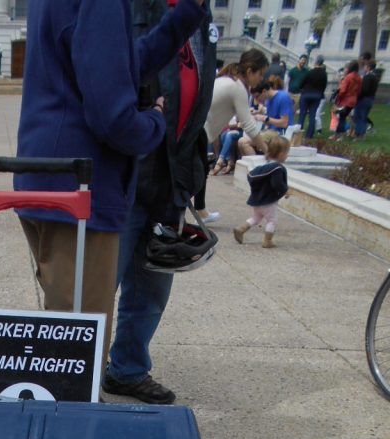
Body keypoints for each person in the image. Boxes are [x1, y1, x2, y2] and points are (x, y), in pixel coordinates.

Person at [15, 0, 207, 365]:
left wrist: (182, 17)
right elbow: (113, 117)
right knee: (78, 349)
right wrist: (153, 122)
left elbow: (114, 63)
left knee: (66, 331)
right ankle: (76, 417)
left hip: (47, 172)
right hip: (82, 186)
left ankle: (69, 412)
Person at [103, 0, 216, 405]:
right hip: (127, 172)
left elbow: (196, 101)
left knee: (152, 286)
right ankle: (76, 372)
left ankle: (128, 370)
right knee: (100, 285)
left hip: (173, 176)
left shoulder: (201, 20)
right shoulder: (126, 9)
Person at [205, 49, 269, 175]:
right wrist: (268, 151)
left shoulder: (228, 79)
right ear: (250, 71)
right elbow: (249, 126)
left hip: (195, 134)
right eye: (260, 74)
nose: (261, 79)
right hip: (197, 137)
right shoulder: (238, 87)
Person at [233, 133, 290, 250]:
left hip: (258, 201)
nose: (287, 156)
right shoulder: (277, 168)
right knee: (272, 220)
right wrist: (285, 191)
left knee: (256, 218)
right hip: (268, 202)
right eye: (287, 153)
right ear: (281, 154)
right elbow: (277, 184)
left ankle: (241, 229)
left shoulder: (265, 166)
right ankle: (267, 241)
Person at [298, 55, 328, 140]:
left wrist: (302, 89)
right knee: (312, 115)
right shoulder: (324, 74)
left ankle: (298, 131)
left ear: (316, 62)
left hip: (306, 94)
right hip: (317, 95)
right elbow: (324, 86)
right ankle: (309, 135)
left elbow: (301, 83)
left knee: (302, 114)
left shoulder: (310, 72)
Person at [331, 60, 362, 137]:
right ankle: (341, 133)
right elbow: (359, 90)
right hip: (353, 100)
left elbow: (343, 90)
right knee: (343, 116)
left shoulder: (348, 77)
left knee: (341, 117)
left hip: (345, 100)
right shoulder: (359, 78)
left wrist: (338, 98)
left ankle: (339, 134)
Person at [353, 59, 380, 140]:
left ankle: (358, 134)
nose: (364, 67)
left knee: (358, 117)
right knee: (363, 117)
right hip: (370, 99)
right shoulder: (375, 77)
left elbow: (364, 89)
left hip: (363, 99)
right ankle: (362, 134)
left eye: (365, 66)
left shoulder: (368, 77)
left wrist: (358, 97)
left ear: (368, 67)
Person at [286, 54, 309, 120]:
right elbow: (287, 81)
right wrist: (287, 91)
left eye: (305, 61)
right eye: (302, 60)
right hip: (290, 93)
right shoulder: (292, 70)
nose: (303, 62)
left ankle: (290, 122)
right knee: (287, 109)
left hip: (299, 94)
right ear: (299, 60)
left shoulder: (306, 72)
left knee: (294, 110)